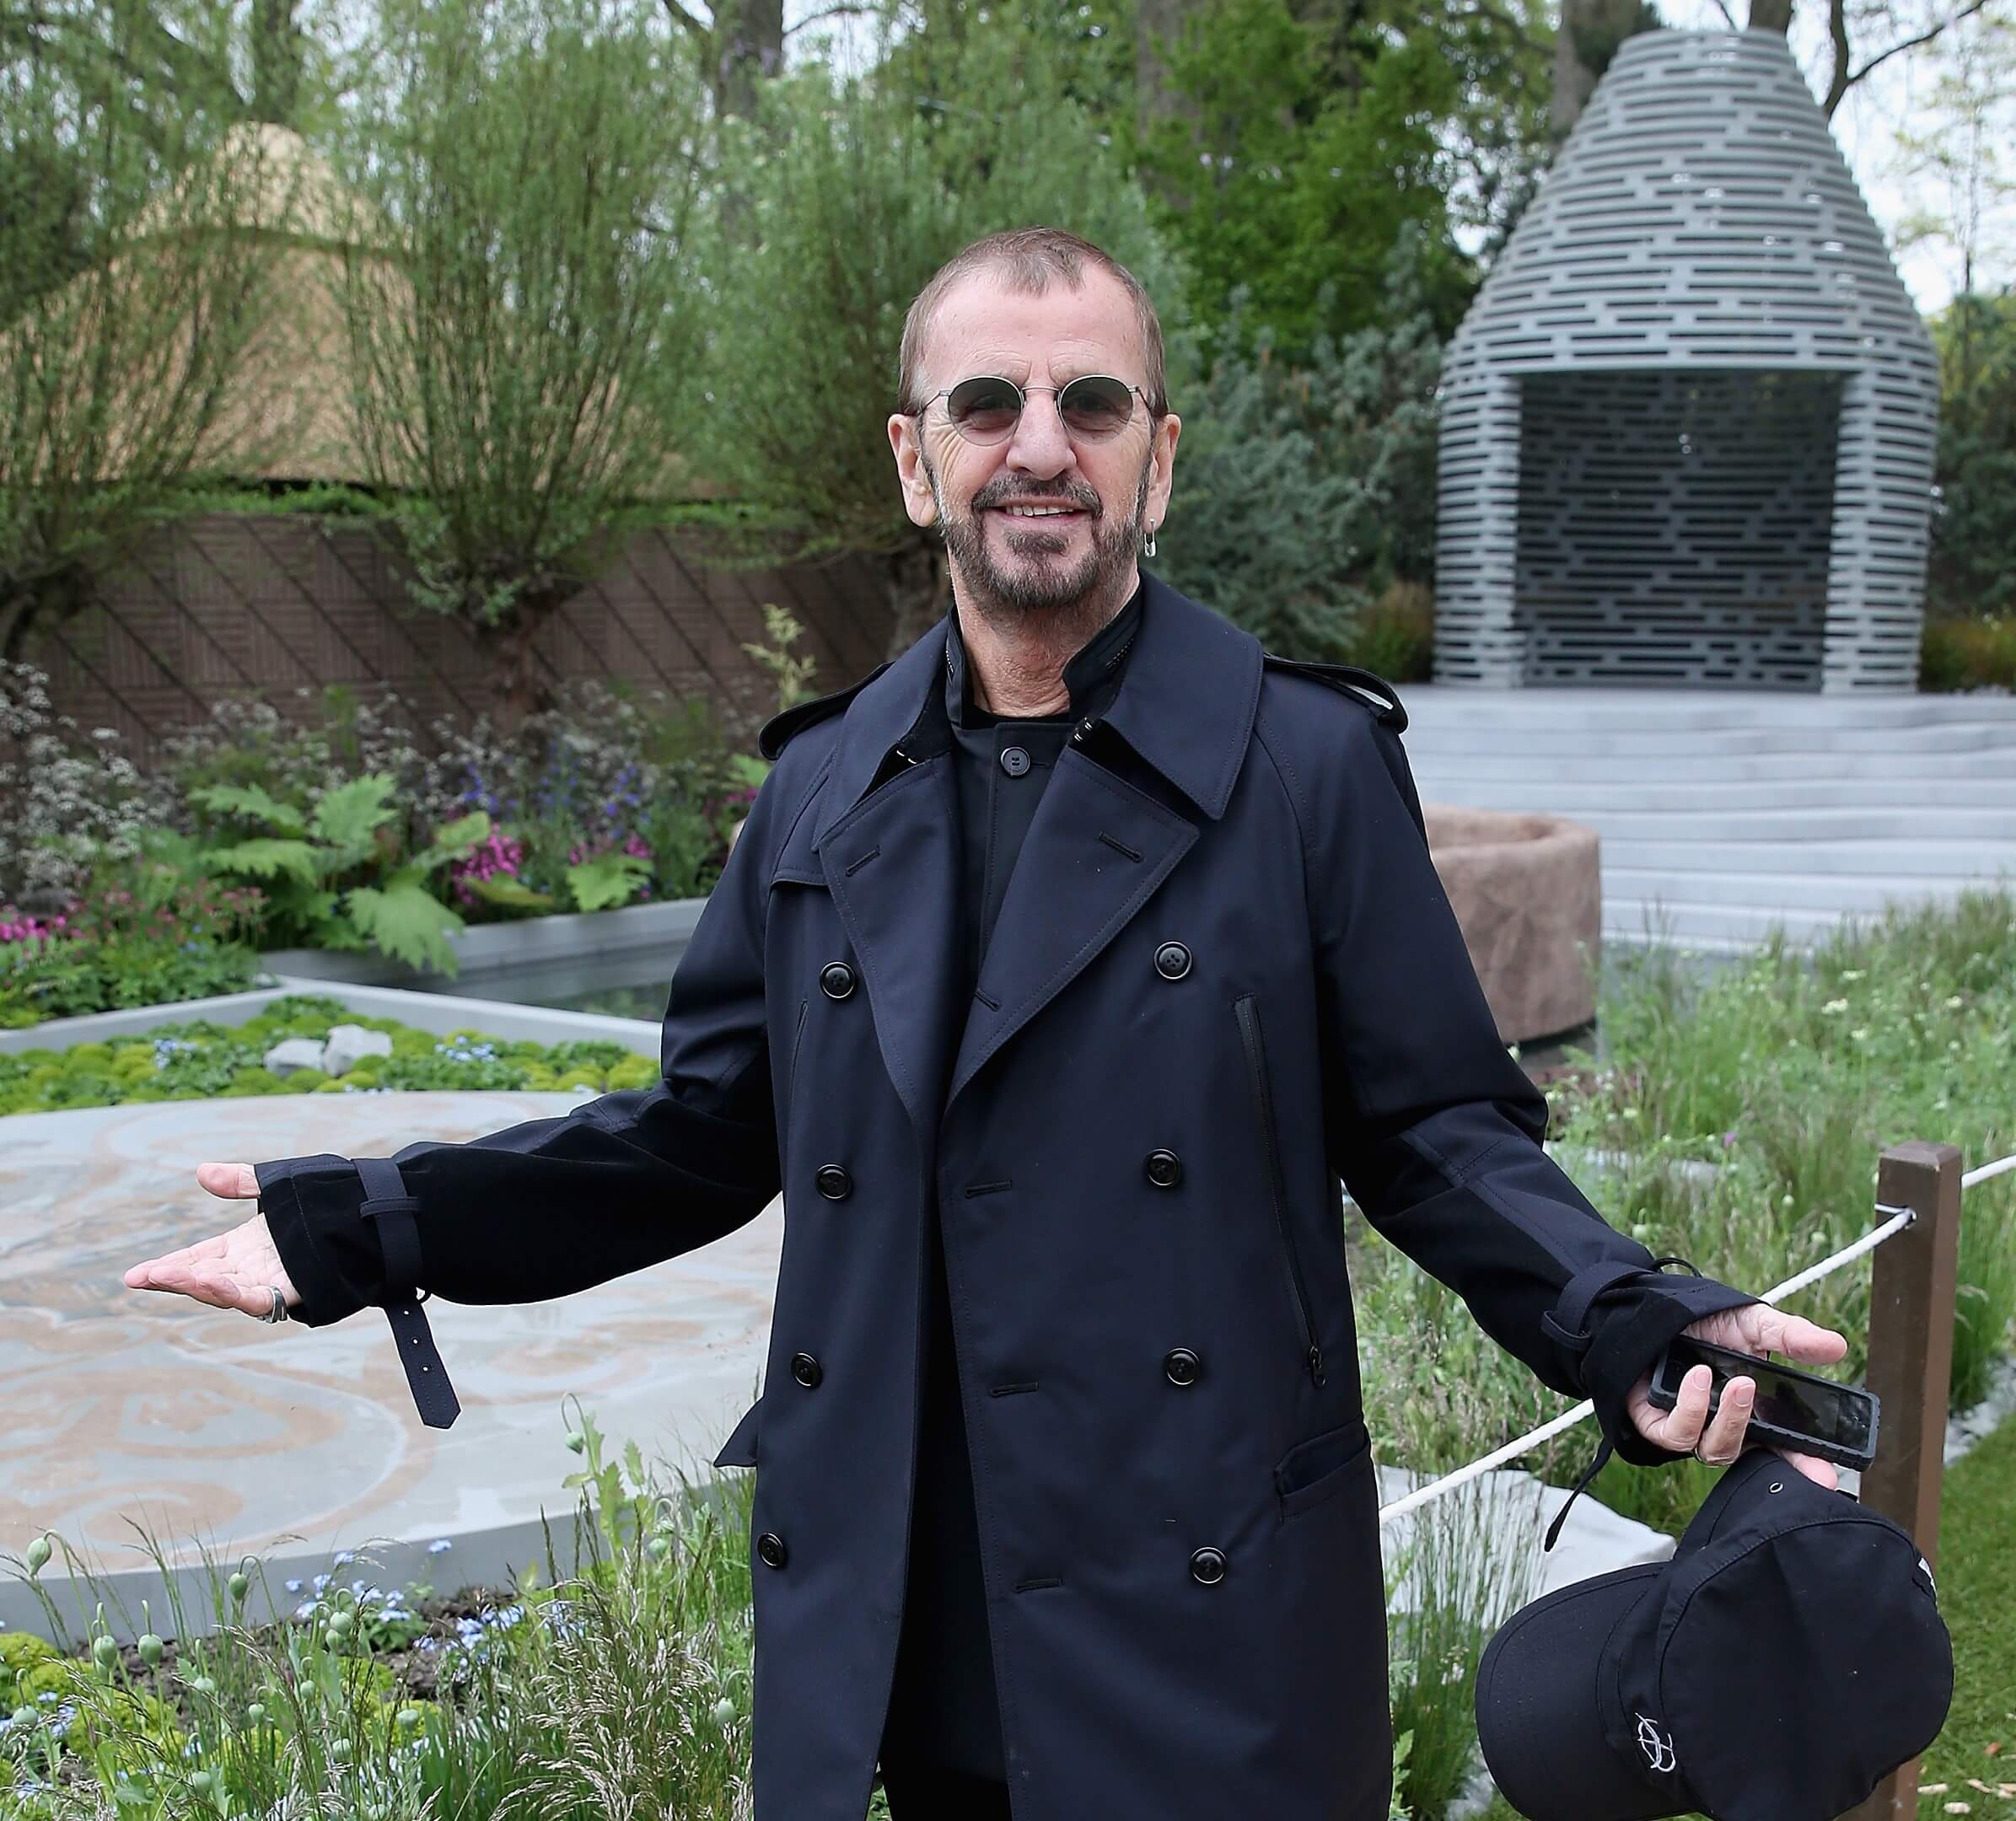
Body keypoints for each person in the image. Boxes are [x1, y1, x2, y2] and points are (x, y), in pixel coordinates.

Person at [126, 227, 1849, 1821]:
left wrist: (1630, 1320)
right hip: (901, 1621)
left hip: (1201, 1607)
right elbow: (688, 1142)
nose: (1041, 443)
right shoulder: (817, 788)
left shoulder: (1301, 768)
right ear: (914, 460)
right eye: (987, 403)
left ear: (1154, 461)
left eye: (1089, 402)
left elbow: (1436, 1132)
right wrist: (365, 1228)